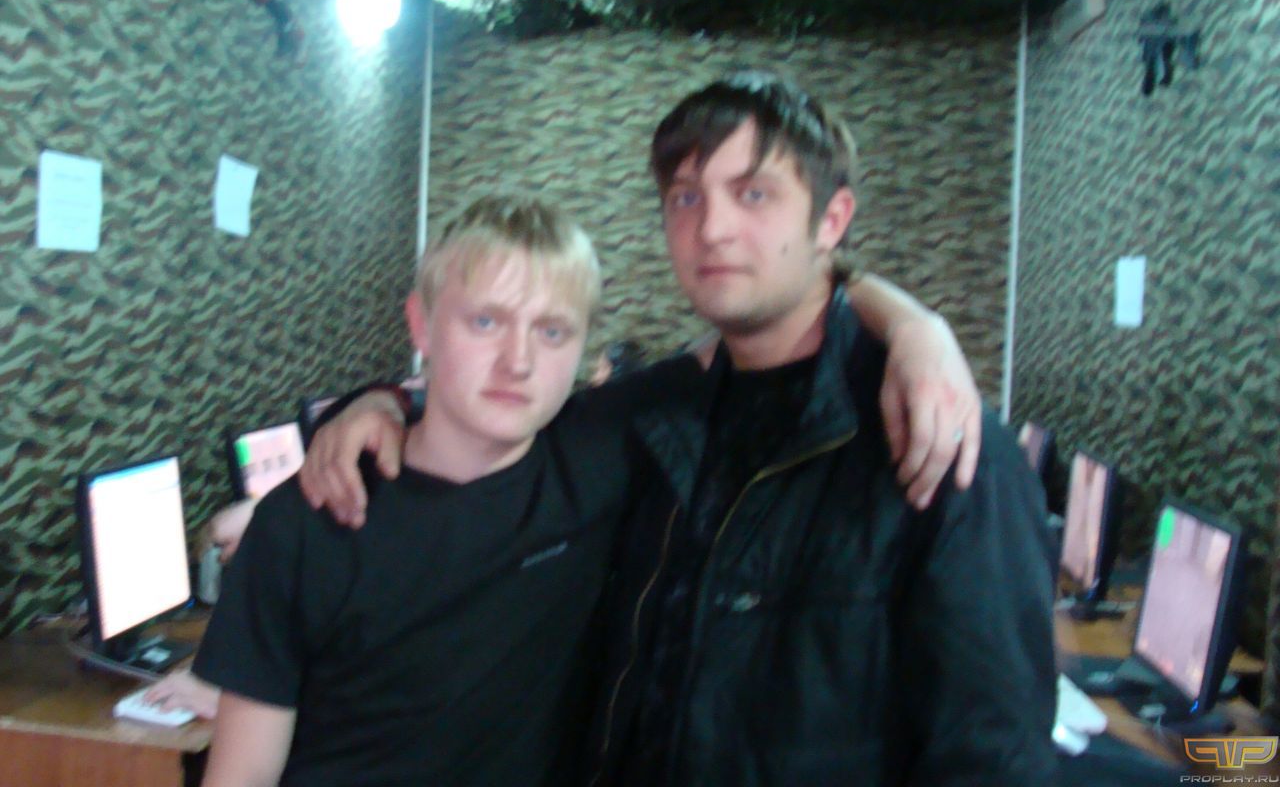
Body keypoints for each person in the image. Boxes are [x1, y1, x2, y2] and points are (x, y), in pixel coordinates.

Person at [303, 73, 1056, 785]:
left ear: (831, 220)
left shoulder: (941, 441)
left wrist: (916, 324)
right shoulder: (653, 416)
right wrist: (385, 405)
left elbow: (992, 755)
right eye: (686, 197)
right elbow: (498, 420)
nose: (712, 228)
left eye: (753, 193)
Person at [194, 196, 632, 786]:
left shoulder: (599, 468)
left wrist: (381, 400)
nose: (519, 362)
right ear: (421, 325)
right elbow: (241, 776)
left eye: (552, 331)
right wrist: (379, 401)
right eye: (485, 322)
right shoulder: (304, 520)